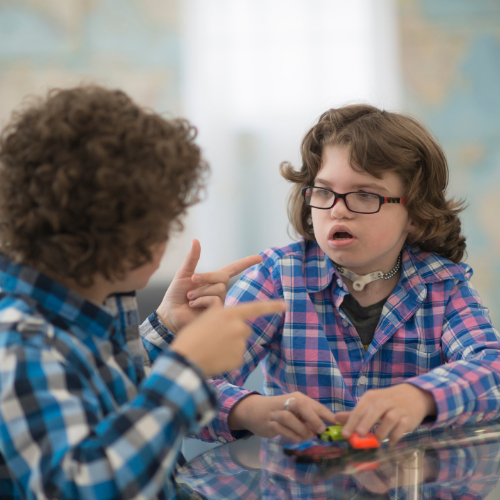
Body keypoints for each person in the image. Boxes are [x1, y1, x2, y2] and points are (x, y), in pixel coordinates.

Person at [153, 104, 500, 446]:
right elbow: (183, 387)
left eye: (365, 195)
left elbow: (492, 369)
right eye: (323, 191)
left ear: (416, 215)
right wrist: (251, 410)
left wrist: (420, 397)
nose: (337, 209)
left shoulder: (444, 285)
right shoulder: (277, 277)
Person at [0, 85, 286, 500]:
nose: (168, 236)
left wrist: (168, 326)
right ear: (115, 236)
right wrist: (187, 367)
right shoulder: (20, 341)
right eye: (163, 222)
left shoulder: (94, 304)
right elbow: (83, 487)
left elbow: (105, 395)